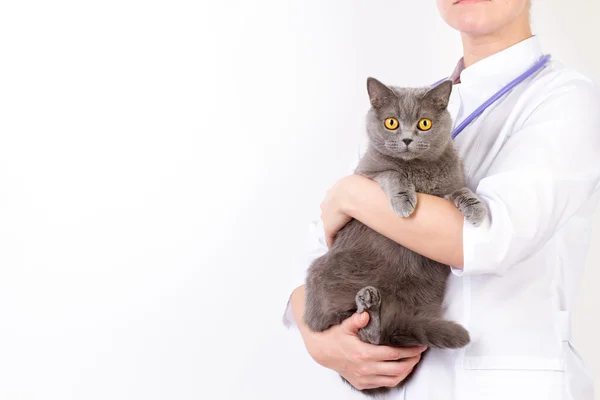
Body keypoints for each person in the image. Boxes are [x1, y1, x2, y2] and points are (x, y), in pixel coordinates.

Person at [282, 0, 600, 399]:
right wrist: (322, 343)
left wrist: (351, 192)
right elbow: (318, 250)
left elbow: (492, 236)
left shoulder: (565, 98)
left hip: (508, 384)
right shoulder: (413, 107)